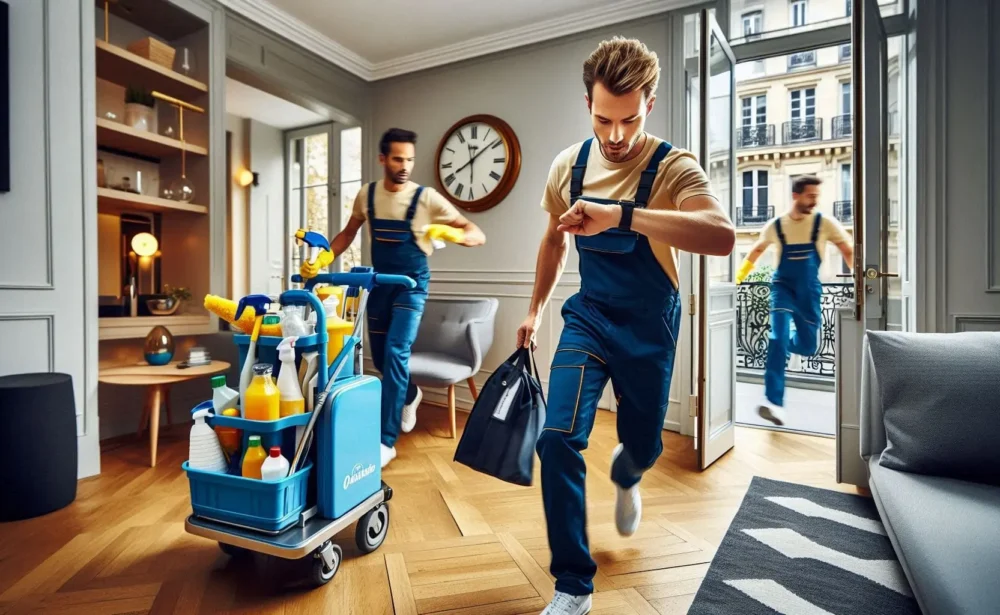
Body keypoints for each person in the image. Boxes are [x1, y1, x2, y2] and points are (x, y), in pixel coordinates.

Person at [516, 37, 735, 615]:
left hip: (649, 326)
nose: (615, 136)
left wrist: (622, 216)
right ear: (588, 104)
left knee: (643, 444)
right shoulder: (568, 165)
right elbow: (553, 241)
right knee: (556, 439)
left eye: (629, 119)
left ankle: (628, 471)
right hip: (588, 318)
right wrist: (535, 310)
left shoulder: (673, 166)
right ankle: (573, 587)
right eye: (603, 119)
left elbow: (721, 234)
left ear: (650, 105)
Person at [308, 128, 486, 468]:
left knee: (395, 353)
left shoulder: (426, 198)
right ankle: (409, 394)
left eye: (410, 160)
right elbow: (347, 234)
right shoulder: (367, 196)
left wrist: (448, 232)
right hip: (379, 285)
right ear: (382, 159)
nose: (405, 166)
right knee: (379, 356)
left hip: (412, 286)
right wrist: (323, 259)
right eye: (398, 159)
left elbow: (475, 233)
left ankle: (386, 441)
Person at [735, 175, 853, 425]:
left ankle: (783, 344)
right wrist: (737, 279)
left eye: (816, 197)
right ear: (796, 196)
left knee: (808, 346)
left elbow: (847, 250)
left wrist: (859, 283)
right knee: (775, 337)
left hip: (809, 291)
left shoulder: (824, 223)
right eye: (810, 196)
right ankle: (773, 403)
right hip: (782, 287)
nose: (814, 201)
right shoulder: (776, 225)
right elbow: (756, 251)